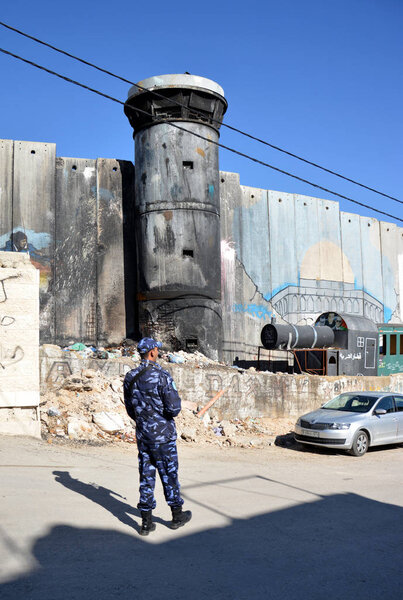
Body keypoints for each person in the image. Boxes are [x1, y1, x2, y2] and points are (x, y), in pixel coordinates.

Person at [123, 337, 192, 536]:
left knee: (146, 475)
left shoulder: (131, 376)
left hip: (143, 434)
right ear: (152, 352)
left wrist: (144, 420)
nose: (158, 353)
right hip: (162, 436)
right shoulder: (162, 375)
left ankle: (146, 522)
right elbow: (174, 408)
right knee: (169, 474)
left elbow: (130, 408)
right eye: (157, 350)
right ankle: (177, 516)